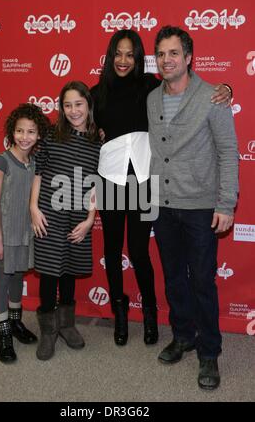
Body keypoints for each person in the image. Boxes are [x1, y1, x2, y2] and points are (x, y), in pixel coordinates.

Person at [90, 29, 231, 347]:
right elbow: (77, 122)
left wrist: (227, 88)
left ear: (139, 58)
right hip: (111, 180)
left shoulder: (152, 87)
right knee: (112, 253)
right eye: (118, 53)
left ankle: (151, 314)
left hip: (145, 182)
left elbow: (190, 86)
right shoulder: (96, 93)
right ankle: (120, 314)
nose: (123, 60)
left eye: (130, 54)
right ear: (111, 56)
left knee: (139, 252)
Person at [147, 25, 239, 390]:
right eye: (161, 54)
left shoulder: (212, 97)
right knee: (173, 278)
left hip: (201, 206)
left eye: (174, 53)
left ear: (188, 58)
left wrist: (226, 203)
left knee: (202, 280)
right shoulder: (152, 98)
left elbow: (229, 152)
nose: (167, 60)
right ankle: (183, 336)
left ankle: (209, 352)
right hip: (162, 205)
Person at [30, 81, 101, 361]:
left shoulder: (98, 141)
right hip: (48, 211)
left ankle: (67, 325)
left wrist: (89, 219)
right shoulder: (50, 135)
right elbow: (38, 172)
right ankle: (48, 331)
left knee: (69, 271)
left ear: (88, 105)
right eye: (68, 105)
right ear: (61, 108)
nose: (73, 111)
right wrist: (33, 208)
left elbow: (96, 185)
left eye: (79, 104)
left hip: (78, 216)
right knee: (49, 273)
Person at [0, 103, 51, 363]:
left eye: (31, 132)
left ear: (39, 134)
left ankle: (16, 321)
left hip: (23, 230)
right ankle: (4, 333)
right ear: (12, 131)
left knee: (18, 274)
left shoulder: (33, 162)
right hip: (2, 231)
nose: (25, 137)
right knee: (2, 278)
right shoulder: (2, 161)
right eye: (20, 131)